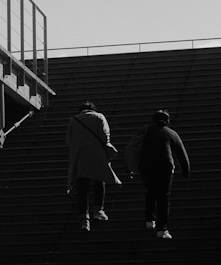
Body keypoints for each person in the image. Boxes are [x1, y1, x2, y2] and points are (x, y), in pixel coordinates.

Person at [132, 109, 191, 240]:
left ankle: (149, 220)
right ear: (167, 121)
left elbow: (134, 147)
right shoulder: (171, 133)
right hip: (164, 167)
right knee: (163, 197)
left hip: (146, 166)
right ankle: (162, 229)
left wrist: (129, 166)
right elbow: (182, 154)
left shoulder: (145, 131)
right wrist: (185, 171)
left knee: (151, 191)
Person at [66, 100, 120, 232]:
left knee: (82, 188)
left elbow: (69, 140)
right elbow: (105, 136)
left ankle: (84, 219)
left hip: (80, 157)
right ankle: (98, 210)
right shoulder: (99, 117)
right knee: (99, 181)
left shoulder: (74, 120)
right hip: (97, 155)